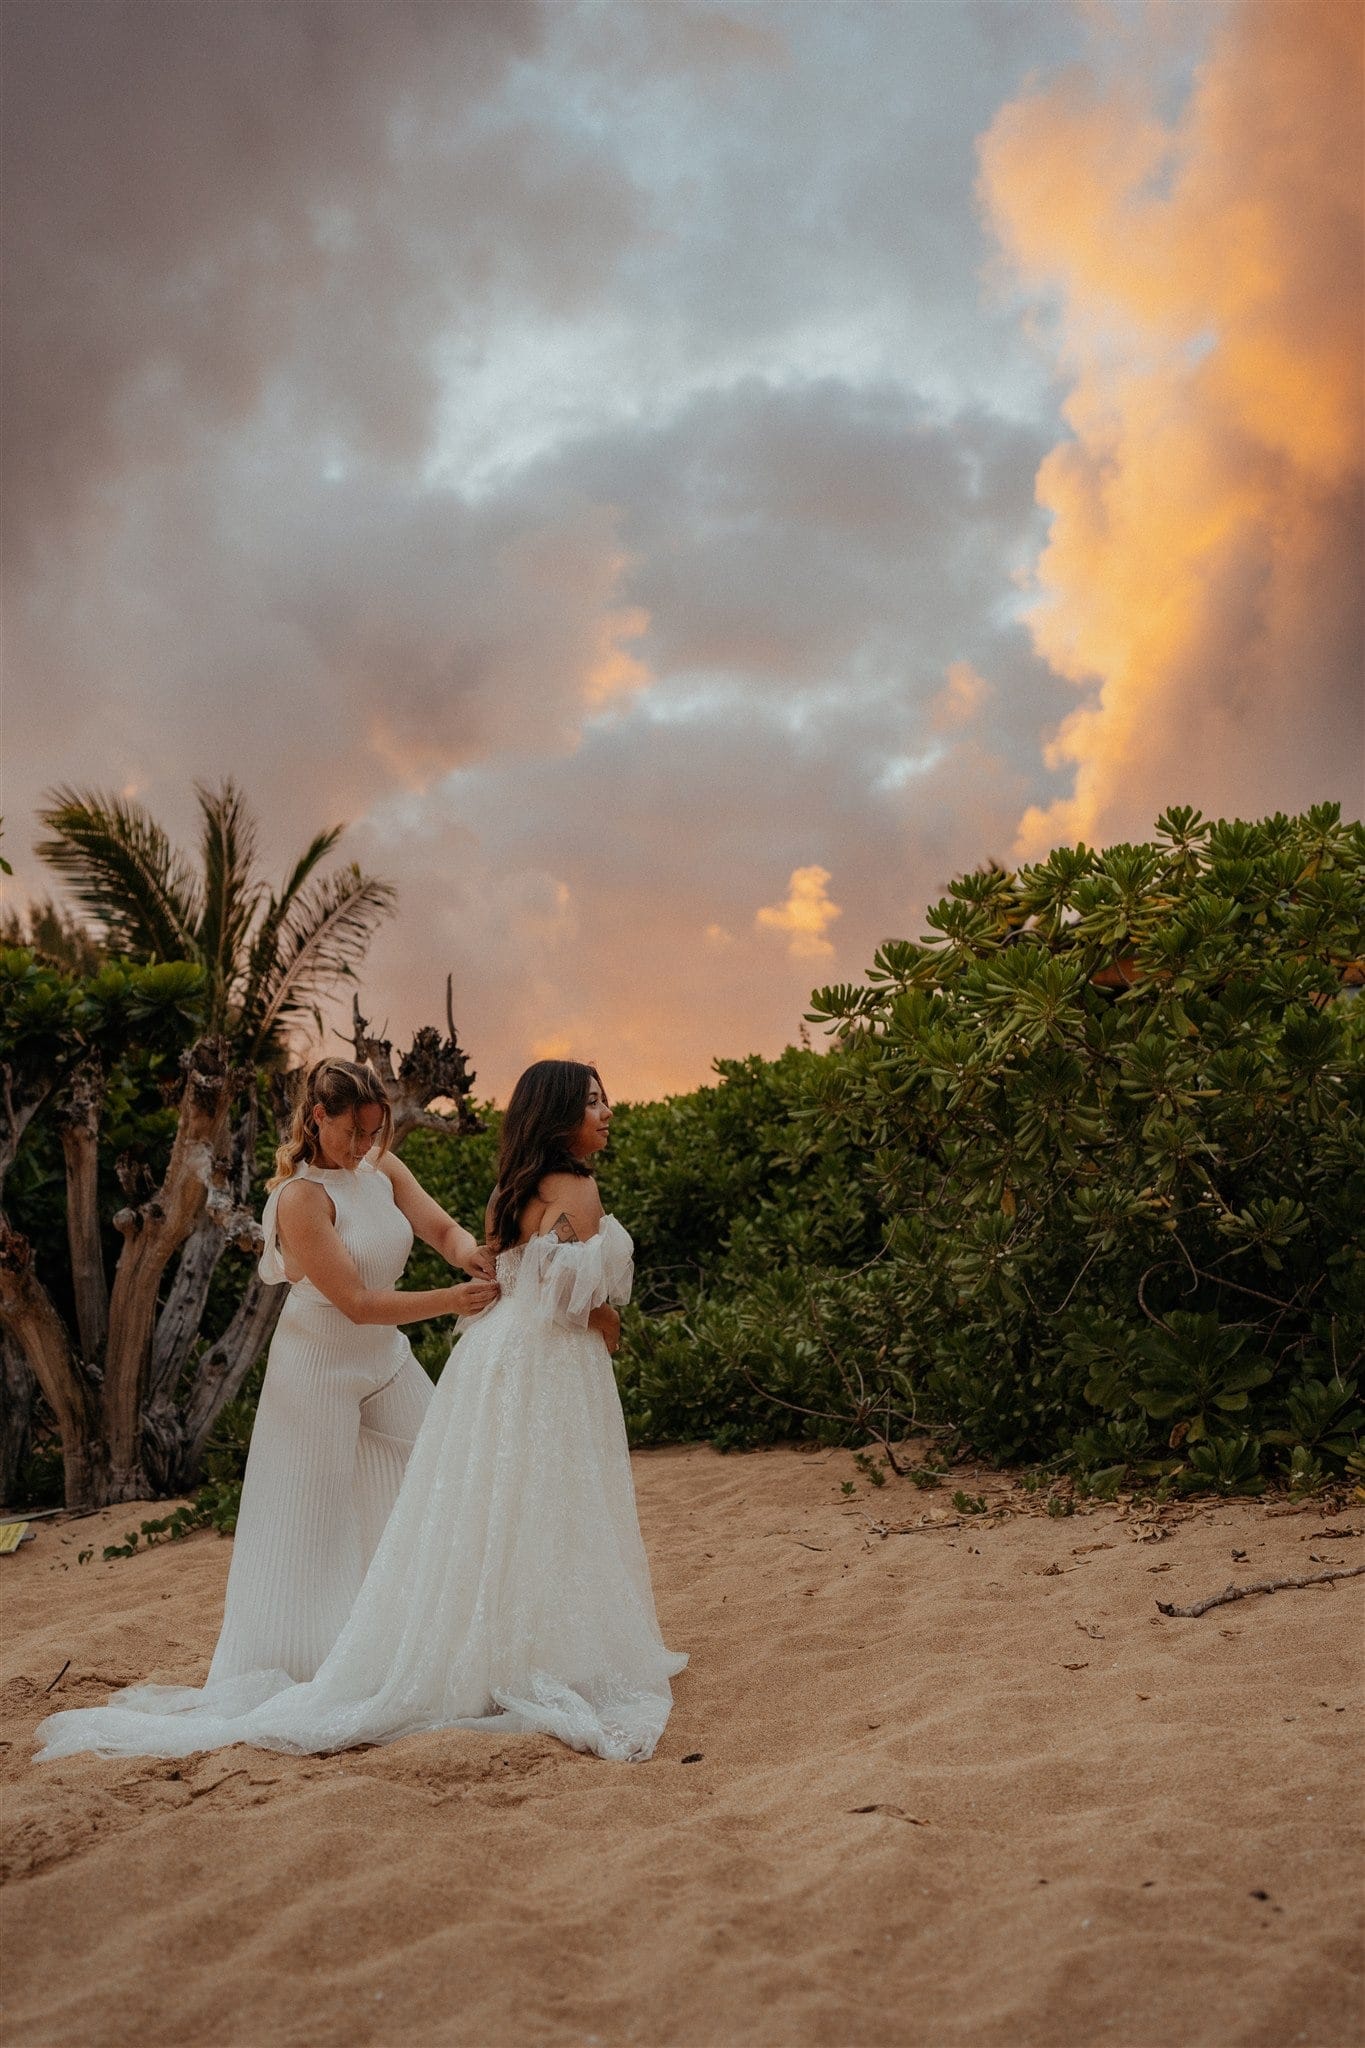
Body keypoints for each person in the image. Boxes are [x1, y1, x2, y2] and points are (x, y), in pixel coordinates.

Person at [37, 1058, 686, 1765]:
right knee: (303, 1530)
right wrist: (453, 1301)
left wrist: (493, 1262)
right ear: (318, 1119)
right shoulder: (298, 1198)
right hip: (318, 1366)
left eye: (375, 1130)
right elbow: (355, 1301)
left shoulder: (380, 1167)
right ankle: (310, 1664)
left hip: (383, 1360)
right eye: (352, 1131)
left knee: (450, 1479)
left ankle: (432, 1637)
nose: (364, 1144)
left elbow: (444, 1235)